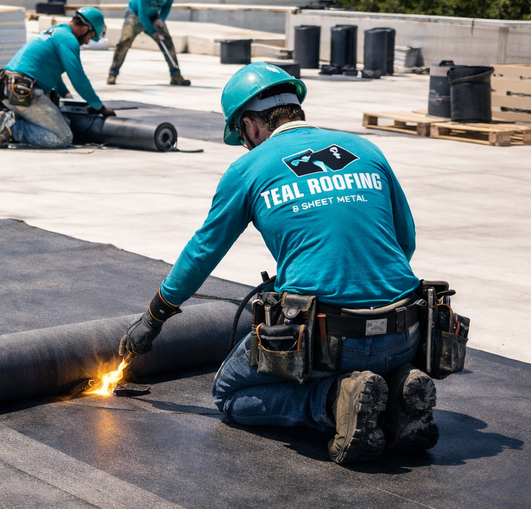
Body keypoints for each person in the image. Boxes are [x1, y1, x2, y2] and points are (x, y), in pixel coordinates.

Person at [119, 62, 440, 464]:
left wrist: (154, 317)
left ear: (251, 125)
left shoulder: (249, 168)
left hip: (329, 343)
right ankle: (397, 385)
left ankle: (333, 400)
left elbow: (202, 252)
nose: (245, 143)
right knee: (373, 351)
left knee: (230, 394)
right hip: (404, 333)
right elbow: (405, 240)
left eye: (242, 135)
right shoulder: (366, 149)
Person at [0, 7, 116, 149]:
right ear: (84, 29)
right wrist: (99, 106)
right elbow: (78, 78)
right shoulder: (69, 40)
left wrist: (65, 95)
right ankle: (12, 129)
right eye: (90, 37)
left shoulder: (56, 32)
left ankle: (10, 120)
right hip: (23, 91)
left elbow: (50, 71)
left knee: (61, 122)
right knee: (62, 137)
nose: (87, 42)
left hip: (6, 87)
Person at [107, 0, 190, 86]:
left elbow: (167, 7)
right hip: (135, 15)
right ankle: (113, 73)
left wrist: (160, 19)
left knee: (167, 42)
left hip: (153, 16)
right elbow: (142, 15)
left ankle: (175, 75)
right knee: (125, 41)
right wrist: (153, 32)